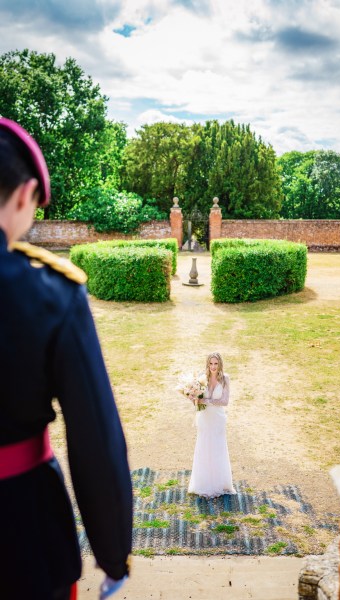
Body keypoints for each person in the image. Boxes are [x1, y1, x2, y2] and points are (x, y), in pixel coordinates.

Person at [0, 117, 133, 600]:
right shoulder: (51, 293)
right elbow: (95, 435)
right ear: (23, 194)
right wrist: (114, 554)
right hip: (20, 535)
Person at [188, 352, 236, 498]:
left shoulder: (225, 378)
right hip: (204, 418)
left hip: (218, 418)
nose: (213, 367)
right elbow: (197, 400)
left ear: (219, 364)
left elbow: (225, 401)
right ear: (207, 364)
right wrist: (192, 397)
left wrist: (207, 401)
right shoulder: (202, 378)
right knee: (204, 447)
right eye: (211, 363)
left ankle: (220, 483)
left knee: (218, 448)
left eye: (216, 363)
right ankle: (202, 483)